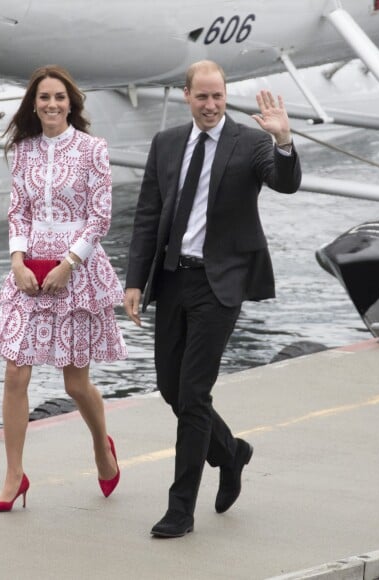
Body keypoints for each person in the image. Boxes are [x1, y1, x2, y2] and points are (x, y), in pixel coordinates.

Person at [124, 60, 302, 537]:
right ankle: (230, 452)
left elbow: (284, 181)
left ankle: (180, 509)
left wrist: (284, 140)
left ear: (226, 97)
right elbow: (147, 214)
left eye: (218, 96)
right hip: (172, 278)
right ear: (187, 95)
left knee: (195, 393)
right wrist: (134, 281)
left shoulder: (250, 142)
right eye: (201, 96)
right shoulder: (166, 144)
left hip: (220, 282)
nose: (210, 105)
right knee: (170, 386)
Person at [0, 65, 127, 512]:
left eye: (59, 98)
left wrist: (69, 264)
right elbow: (17, 214)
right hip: (28, 271)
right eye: (43, 97)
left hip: (76, 270)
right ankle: (14, 475)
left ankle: (102, 449)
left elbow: (100, 216)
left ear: (71, 104)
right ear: (34, 104)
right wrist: (17, 262)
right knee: (15, 372)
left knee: (75, 383)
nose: (51, 104)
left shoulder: (92, 149)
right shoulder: (24, 151)